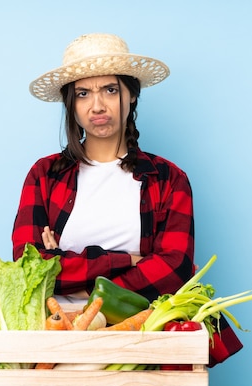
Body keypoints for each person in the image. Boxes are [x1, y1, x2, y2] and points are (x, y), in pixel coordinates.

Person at [12, 33, 195, 301]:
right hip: (56, 329)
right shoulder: (44, 175)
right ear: (71, 104)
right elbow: (29, 269)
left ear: (131, 94)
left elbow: (174, 270)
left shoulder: (168, 179)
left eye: (110, 90)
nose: (97, 107)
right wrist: (129, 260)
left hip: (141, 330)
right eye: (83, 94)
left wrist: (76, 276)